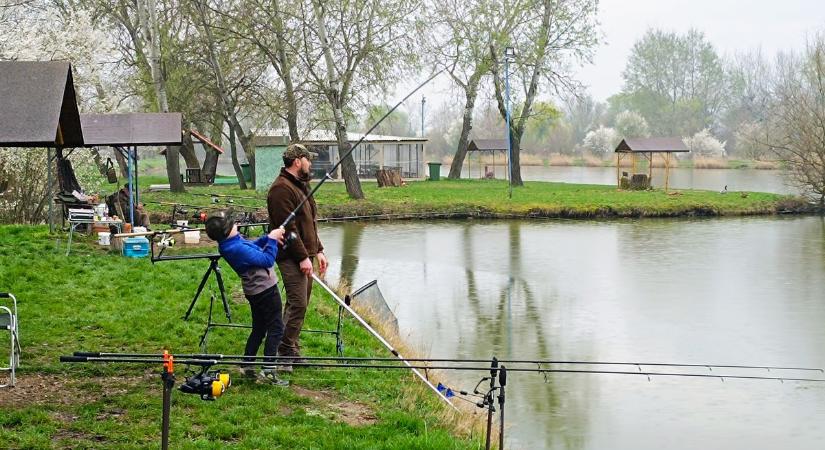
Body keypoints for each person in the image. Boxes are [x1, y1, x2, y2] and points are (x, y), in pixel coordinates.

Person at [205, 209, 288, 385]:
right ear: (228, 230)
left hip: (255, 291)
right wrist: (273, 240)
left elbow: (254, 247)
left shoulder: (231, 243)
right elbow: (267, 260)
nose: (237, 224)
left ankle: (247, 365)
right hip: (265, 291)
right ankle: (268, 371)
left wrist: (266, 238)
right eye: (233, 223)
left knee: (259, 328)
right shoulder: (235, 247)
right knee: (276, 328)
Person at [266, 143, 328, 366]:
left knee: (298, 305)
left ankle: (290, 347)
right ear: (298, 161)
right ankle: (283, 351)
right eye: (308, 159)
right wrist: (303, 257)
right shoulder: (281, 190)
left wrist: (318, 250)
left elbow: (308, 223)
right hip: (289, 256)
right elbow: (289, 230)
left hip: (304, 253)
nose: (310, 164)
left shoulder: (300, 186)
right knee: (298, 303)